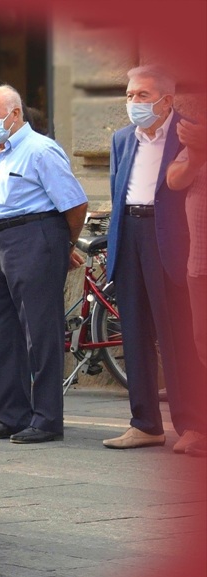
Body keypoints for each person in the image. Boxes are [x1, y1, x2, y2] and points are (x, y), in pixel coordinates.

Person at [0, 85, 87, 444]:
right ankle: (11, 414)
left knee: (40, 331)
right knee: (0, 330)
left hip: (34, 235)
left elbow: (74, 204)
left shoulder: (40, 150)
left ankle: (46, 418)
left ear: (15, 114)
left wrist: (62, 245)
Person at [101, 66, 205, 453]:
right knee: (134, 331)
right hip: (129, 233)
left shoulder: (188, 132)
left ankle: (193, 424)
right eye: (129, 96)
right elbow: (116, 191)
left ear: (167, 100)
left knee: (176, 334)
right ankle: (144, 423)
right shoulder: (122, 138)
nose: (133, 104)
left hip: (169, 238)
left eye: (142, 96)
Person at [167, 119, 206, 456]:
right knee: (201, 346)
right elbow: (174, 180)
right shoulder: (194, 141)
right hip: (200, 264)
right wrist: (197, 150)